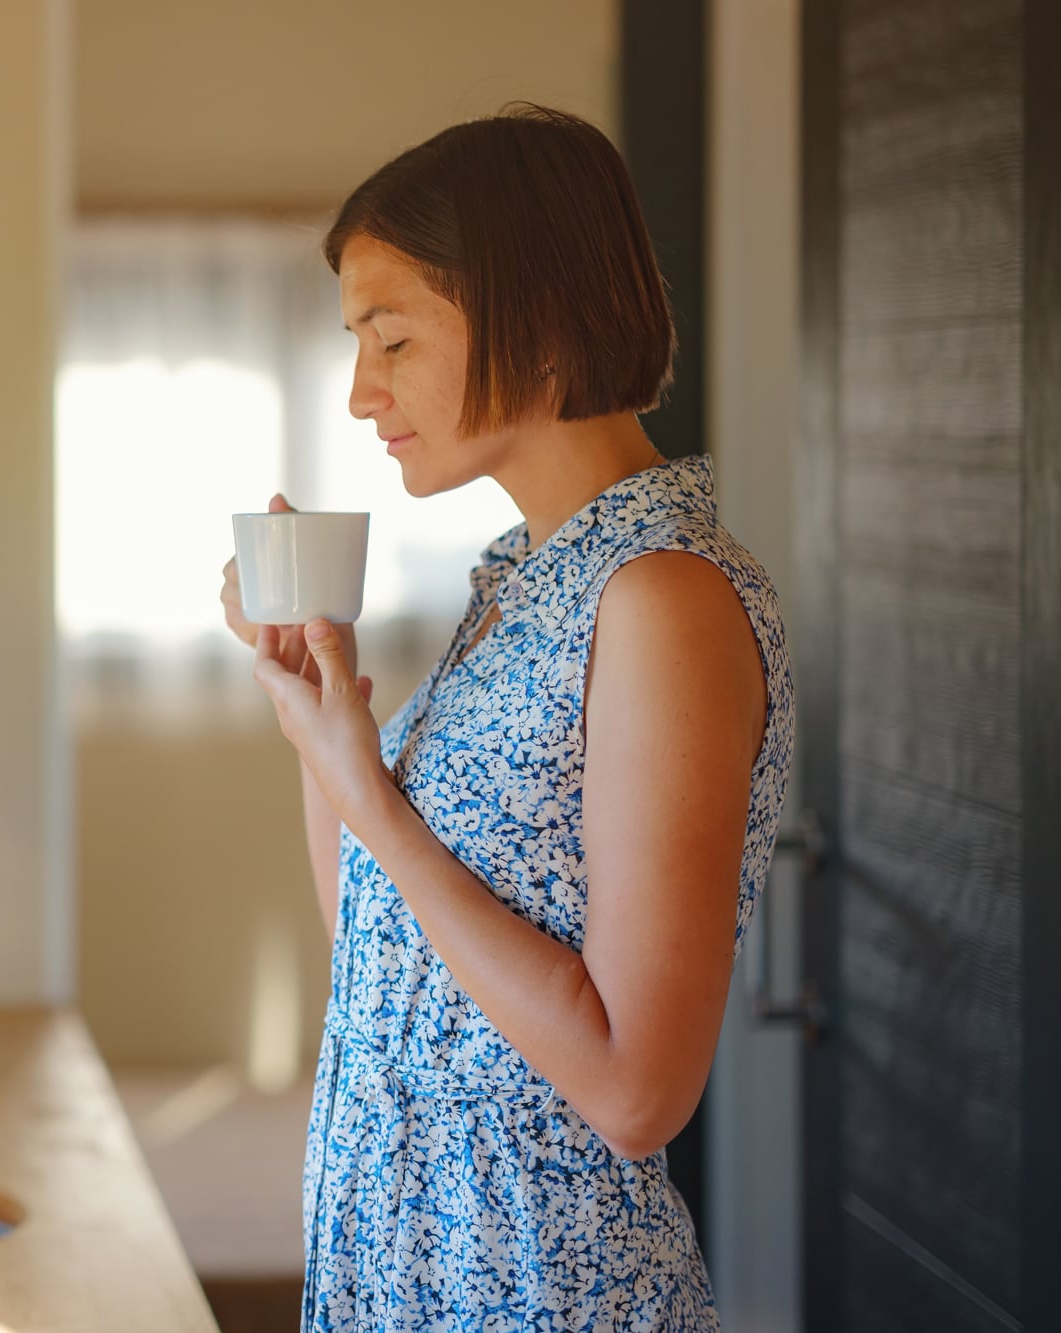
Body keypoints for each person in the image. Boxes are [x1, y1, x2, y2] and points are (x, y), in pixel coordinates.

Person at [217, 103, 795, 1331]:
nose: (363, 392)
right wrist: (319, 715)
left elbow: (637, 1088)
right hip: (402, 1265)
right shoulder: (519, 582)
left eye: (391, 339)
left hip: (532, 1284)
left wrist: (366, 787)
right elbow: (377, 943)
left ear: (532, 314)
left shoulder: (659, 597)